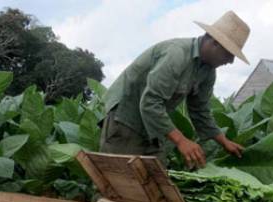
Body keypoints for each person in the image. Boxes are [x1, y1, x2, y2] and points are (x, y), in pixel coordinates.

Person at [100, 11, 250, 169]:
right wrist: (181, 141)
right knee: (119, 177)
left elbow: (200, 111)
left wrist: (224, 142)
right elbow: (150, 101)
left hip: (153, 124)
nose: (231, 61)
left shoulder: (208, 71)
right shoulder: (176, 54)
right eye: (229, 54)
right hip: (126, 117)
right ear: (215, 43)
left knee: (155, 180)